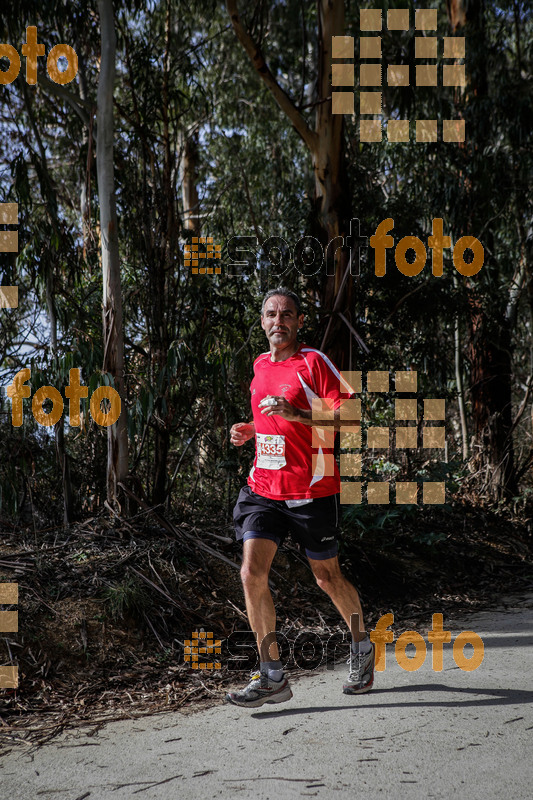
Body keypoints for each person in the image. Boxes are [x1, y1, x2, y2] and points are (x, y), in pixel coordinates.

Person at [225, 286, 375, 708]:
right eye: (271, 314)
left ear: (299, 322)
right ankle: (272, 674)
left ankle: (362, 646)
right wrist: (250, 429)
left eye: (287, 314)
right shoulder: (258, 365)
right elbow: (269, 416)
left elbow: (350, 417)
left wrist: (299, 415)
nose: (279, 321)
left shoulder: (313, 363)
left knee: (327, 578)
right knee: (251, 574)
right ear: (262, 322)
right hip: (264, 489)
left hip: (311, 488)